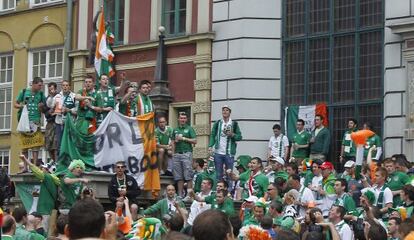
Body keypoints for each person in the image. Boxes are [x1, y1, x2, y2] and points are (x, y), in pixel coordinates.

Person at [15, 76, 46, 168]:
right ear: (34, 84)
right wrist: (22, 106)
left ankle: (34, 166)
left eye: (41, 85)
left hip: (36, 122)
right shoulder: (24, 92)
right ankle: (25, 167)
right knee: (25, 146)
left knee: (35, 145)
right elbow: (15, 104)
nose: (41, 87)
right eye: (39, 85)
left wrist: (41, 107)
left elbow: (44, 107)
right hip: (25, 122)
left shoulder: (41, 94)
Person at [209, 105, 242, 181]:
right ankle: (219, 190)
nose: (225, 111)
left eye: (227, 110)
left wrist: (232, 134)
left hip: (229, 153)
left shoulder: (234, 124)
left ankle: (229, 191)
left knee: (229, 174)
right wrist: (210, 146)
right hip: (218, 152)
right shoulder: (218, 123)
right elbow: (213, 135)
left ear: (230, 112)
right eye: (223, 110)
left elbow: (240, 137)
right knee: (218, 174)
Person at [171, 112, 197, 198]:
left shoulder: (189, 129)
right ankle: (180, 195)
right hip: (177, 154)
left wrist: (184, 138)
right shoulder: (175, 130)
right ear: (178, 119)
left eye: (184, 118)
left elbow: (195, 141)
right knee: (179, 177)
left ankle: (189, 195)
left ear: (186, 119)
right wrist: (173, 153)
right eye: (181, 118)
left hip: (186, 153)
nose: (182, 120)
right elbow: (172, 142)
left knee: (188, 175)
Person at [51, 80, 77, 151]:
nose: (65, 87)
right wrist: (54, 109)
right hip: (59, 122)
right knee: (59, 143)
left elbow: (77, 111)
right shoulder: (57, 96)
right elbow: (51, 108)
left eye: (67, 85)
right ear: (61, 87)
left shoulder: (74, 96)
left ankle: (70, 160)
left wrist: (69, 110)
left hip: (70, 123)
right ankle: (60, 161)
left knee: (70, 142)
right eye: (63, 85)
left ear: (69, 87)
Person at [44, 82, 59, 162]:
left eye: (52, 89)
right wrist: (48, 112)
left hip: (57, 122)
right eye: (49, 90)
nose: (51, 91)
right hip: (49, 122)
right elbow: (45, 112)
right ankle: (53, 160)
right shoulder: (47, 99)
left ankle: (57, 162)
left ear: (55, 89)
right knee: (48, 144)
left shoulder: (59, 97)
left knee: (55, 144)